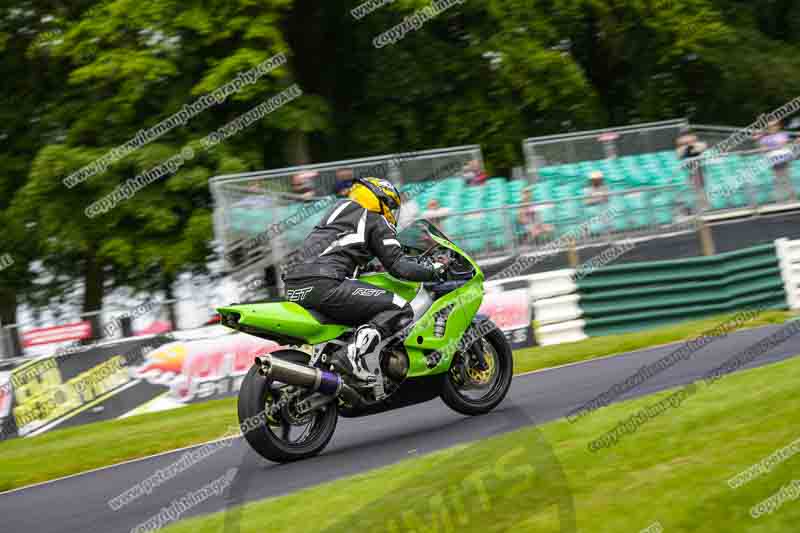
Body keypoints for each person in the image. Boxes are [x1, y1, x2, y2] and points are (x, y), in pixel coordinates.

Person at [283, 177, 446, 381]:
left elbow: (338, 250)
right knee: (399, 307)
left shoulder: (335, 212)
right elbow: (399, 267)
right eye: (390, 206)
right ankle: (352, 356)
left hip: (294, 286)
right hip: (326, 283)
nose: (391, 212)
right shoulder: (373, 218)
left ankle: (336, 363)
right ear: (379, 200)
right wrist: (433, 270)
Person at [757, 119, 796, 201]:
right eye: (770, 127)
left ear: (778, 127)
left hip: (783, 159)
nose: (772, 128)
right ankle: (783, 198)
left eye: (774, 126)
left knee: (784, 178)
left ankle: (791, 198)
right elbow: (762, 148)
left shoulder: (782, 135)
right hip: (773, 161)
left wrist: (771, 147)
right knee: (779, 179)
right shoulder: (765, 138)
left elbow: (782, 144)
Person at [675, 132, 708, 207]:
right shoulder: (680, 150)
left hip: (699, 171)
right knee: (693, 190)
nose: (688, 144)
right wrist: (687, 147)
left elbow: (703, 146)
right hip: (688, 172)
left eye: (690, 141)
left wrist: (691, 145)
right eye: (685, 143)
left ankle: (703, 205)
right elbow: (679, 154)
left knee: (700, 190)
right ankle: (696, 205)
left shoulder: (699, 146)